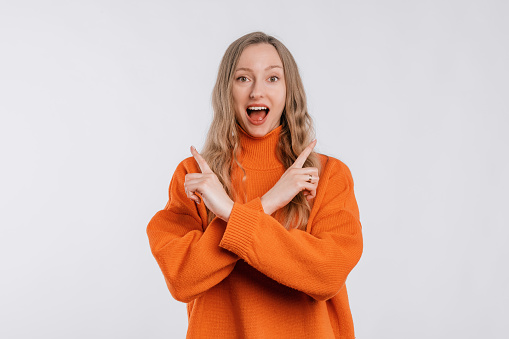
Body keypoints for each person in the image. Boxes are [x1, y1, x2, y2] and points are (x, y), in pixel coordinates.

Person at [146, 31, 363, 338]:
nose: (257, 92)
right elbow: (182, 278)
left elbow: (326, 275)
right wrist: (268, 203)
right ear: (227, 89)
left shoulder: (327, 174)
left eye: (272, 78)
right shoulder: (197, 176)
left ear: (290, 90)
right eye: (243, 78)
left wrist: (228, 212)